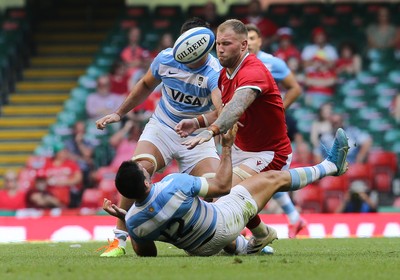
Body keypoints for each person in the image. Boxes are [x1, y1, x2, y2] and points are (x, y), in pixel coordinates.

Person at [103, 127, 349, 257]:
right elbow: (221, 187)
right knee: (270, 178)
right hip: (223, 227)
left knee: (213, 210)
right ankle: (330, 166)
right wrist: (227, 148)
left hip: (199, 250)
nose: (150, 173)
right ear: (146, 182)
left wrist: (128, 220)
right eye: (146, 173)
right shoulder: (173, 184)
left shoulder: (134, 221)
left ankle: (253, 242)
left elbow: (148, 253)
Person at [95, 18, 223, 257]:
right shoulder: (166, 58)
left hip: (196, 136)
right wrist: (119, 113)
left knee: (217, 186)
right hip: (163, 127)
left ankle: (230, 237)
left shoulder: (214, 71)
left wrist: (201, 123)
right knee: (137, 169)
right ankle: (119, 240)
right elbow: (145, 85)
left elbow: (220, 107)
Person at [176, 19, 294, 248]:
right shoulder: (224, 74)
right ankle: (261, 234)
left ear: (243, 46)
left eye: (226, 43)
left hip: (270, 152)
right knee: (214, 193)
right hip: (242, 147)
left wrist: (211, 131)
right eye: (218, 43)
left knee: (223, 195)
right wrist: (197, 121)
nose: (220, 48)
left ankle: (215, 242)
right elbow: (222, 111)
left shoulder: (253, 71)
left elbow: (236, 107)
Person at [245, 23, 306, 237]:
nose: (249, 42)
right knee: (267, 175)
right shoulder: (235, 63)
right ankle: (294, 218)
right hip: (245, 127)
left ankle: (242, 222)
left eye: (253, 38)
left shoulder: (272, 62)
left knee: (256, 175)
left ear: (260, 41)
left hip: (267, 128)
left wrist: (279, 109)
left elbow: (295, 87)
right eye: (246, 38)